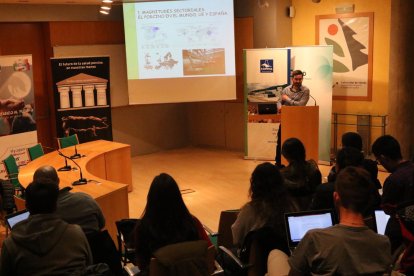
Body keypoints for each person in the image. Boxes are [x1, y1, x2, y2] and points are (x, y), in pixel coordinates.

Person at [288, 167, 392, 275]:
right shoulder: (383, 243)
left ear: (336, 197)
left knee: (275, 254)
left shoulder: (315, 238)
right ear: (369, 200)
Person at [0, 179, 92, 275]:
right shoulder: (77, 234)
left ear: (26, 206)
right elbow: (89, 265)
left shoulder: (10, 245)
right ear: (56, 205)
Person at [134, 173, 212, 272]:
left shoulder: (143, 229)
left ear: (151, 199)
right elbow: (209, 251)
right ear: (178, 197)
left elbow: (142, 265)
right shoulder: (192, 222)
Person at [231, 162, 296, 252]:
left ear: (254, 184)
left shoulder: (250, 210)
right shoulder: (290, 206)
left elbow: (236, 238)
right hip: (283, 258)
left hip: (253, 262)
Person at [33, 165, 105, 235]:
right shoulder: (85, 198)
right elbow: (102, 224)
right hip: (96, 246)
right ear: (58, 181)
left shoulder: (41, 214)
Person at [372, 135, 414, 253]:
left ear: (383, 158)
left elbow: (387, 208)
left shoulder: (394, 179)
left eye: (379, 161)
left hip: (401, 235)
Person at [275, 70, 310, 166]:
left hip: (299, 121)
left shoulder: (305, 90)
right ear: (292, 79)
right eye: (296, 79)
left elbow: (301, 105)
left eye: (300, 79)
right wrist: (279, 107)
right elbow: (278, 101)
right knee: (280, 142)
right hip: (285, 120)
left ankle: (297, 164)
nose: (298, 81)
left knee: (296, 144)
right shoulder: (286, 89)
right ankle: (278, 163)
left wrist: (287, 99)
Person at [280, 138, 322, 210]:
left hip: (289, 213)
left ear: (285, 155)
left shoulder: (282, 175)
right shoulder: (314, 170)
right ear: (303, 151)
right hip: (312, 210)